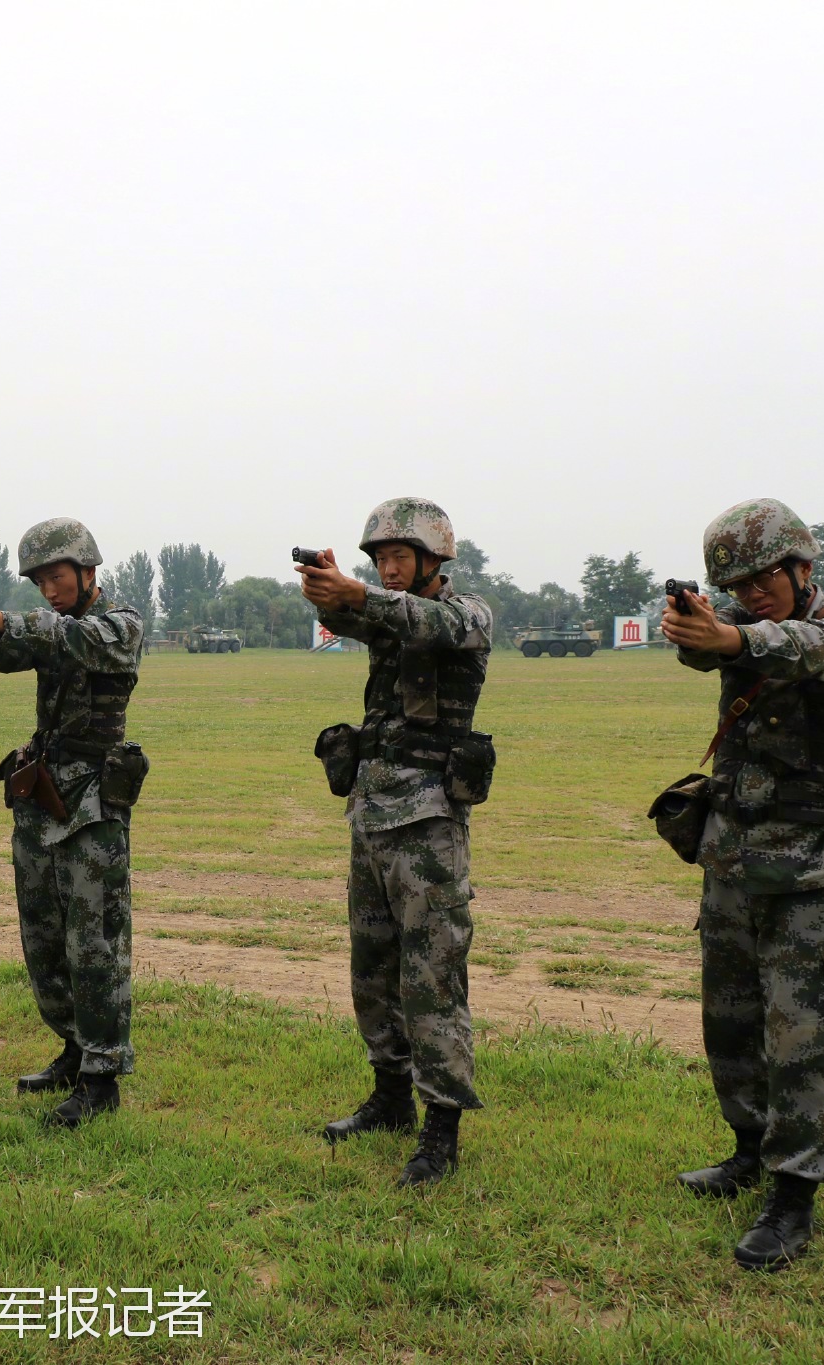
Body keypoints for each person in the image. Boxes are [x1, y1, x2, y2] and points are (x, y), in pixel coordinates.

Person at [660, 498, 824, 1272]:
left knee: (807, 1042)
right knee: (731, 1025)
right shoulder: (737, 630)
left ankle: (794, 1198)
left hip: (810, 877)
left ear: (802, 566)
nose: (752, 592)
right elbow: (708, 653)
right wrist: (700, 626)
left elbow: (799, 647)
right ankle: (747, 1151)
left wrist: (730, 633)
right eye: (736, 582)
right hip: (731, 866)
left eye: (763, 577)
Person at [296, 498, 494, 1187]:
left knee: (432, 978)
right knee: (372, 969)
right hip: (371, 815)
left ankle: (441, 1126)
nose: (387, 569)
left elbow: (422, 622)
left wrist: (359, 595)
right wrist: (328, 587)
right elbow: (355, 616)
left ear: (436, 558)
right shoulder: (385, 611)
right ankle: (389, 1094)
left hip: (430, 825)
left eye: (400, 558)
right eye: (379, 560)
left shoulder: (466, 614)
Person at [0, 518, 147, 1128]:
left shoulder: (120, 624)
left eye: (57, 577)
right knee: (44, 937)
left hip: (93, 805)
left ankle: (101, 1079)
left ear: (87, 572)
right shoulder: (53, 626)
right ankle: (74, 1049)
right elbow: (11, 656)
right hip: (44, 794)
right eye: (40, 581)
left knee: (95, 942)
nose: (49, 589)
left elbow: (72, 640)